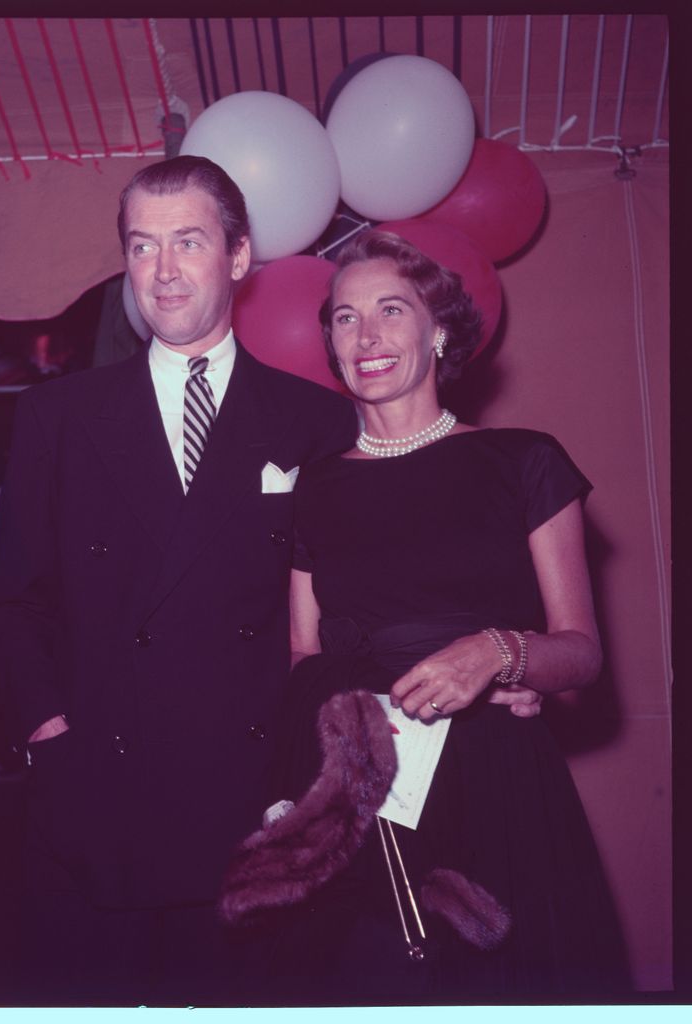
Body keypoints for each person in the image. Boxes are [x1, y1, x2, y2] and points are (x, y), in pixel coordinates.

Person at [0, 156, 359, 1005]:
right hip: (94, 805)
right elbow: (11, 603)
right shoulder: (58, 416)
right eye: (142, 246)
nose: (163, 270)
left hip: (255, 806)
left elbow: (354, 607)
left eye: (187, 242)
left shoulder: (317, 420)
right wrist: (50, 734)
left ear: (238, 256)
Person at [251, 229, 631, 1001]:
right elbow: (299, 650)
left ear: (441, 330)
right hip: (354, 780)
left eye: (392, 310)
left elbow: (580, 656)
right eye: (345, 318)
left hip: (491, 779)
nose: (367, 336)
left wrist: (497, 653)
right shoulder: (312, 488)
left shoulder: (524, 461)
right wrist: (335, 748)